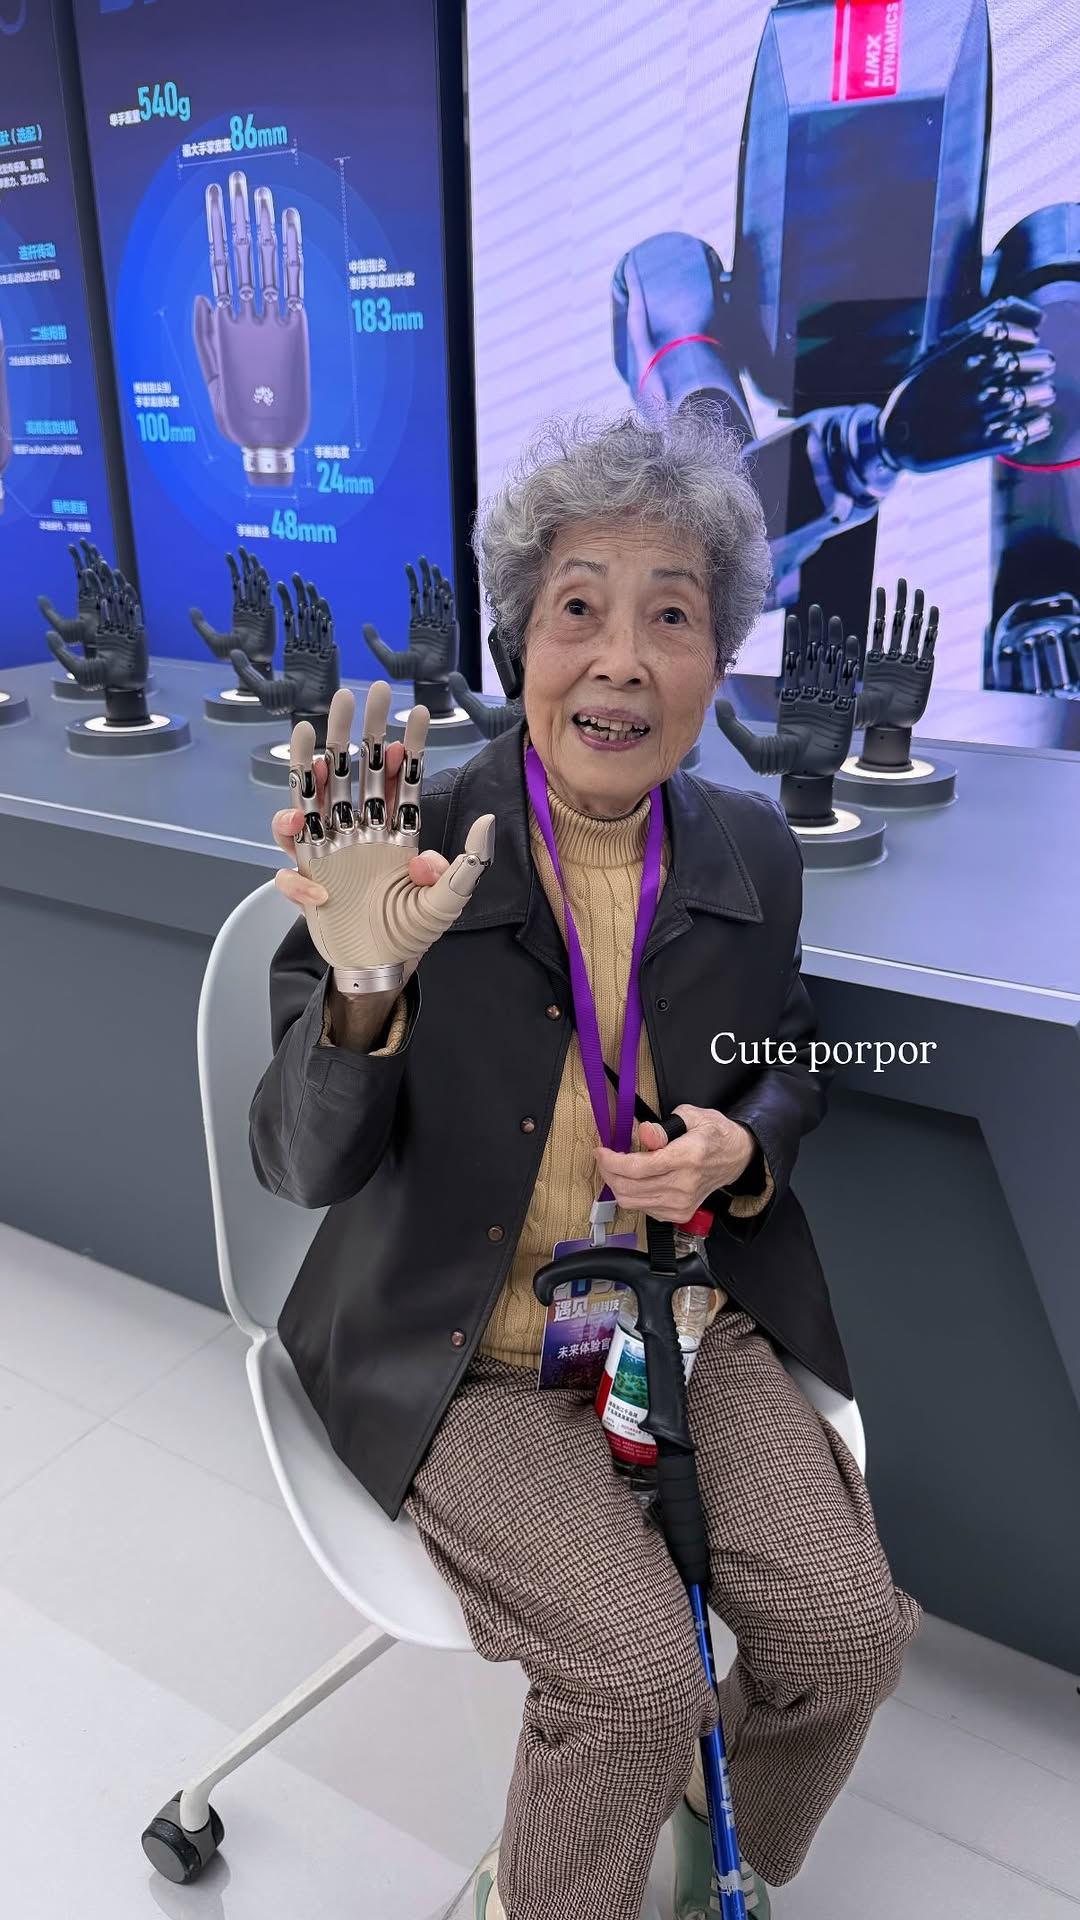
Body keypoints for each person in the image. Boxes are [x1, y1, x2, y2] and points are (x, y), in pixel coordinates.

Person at [249, 410, 920, 1920]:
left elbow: (793, 1052)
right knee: (633, 1676)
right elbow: (297, 1163)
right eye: (578, 609)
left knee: (847, 1640)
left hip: (684, 1316)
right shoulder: (410, 844)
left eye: (670, 616)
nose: (620, 660)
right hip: (467, 1345)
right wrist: (363, 979)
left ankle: (697, 1835)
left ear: (716, 661)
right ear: (519, 647)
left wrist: (742, 1143)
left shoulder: (753, 852)